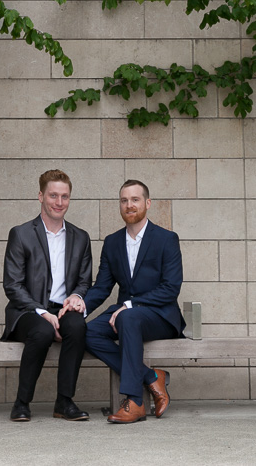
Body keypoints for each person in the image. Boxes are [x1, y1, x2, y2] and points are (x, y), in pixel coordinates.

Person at [75, 179, 184, 424]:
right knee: (85, 331)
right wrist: (80, 307)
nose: (129, 205)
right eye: (124, 200)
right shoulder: (112, 242)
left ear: (147, 203)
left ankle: (135, 402)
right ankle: (150, 377)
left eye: (135, 200)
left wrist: (130, 305)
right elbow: (102, 287)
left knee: (128, 315)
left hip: (161, 315)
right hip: (126, 316)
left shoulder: (167, 239)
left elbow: (171, 288)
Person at [1, 169, 93, 422]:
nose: (59, 202)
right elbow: (12, 284)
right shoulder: (21, 233)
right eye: (53, 195)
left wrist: (76, 296)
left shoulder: (81, 237)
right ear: (41, 196)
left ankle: (64, 402)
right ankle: (22, 402)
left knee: (77, 327)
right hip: (27, 311)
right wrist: (41, 312)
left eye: (64, 196)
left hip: (62, 309)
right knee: (41, 331)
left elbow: (85, 280)